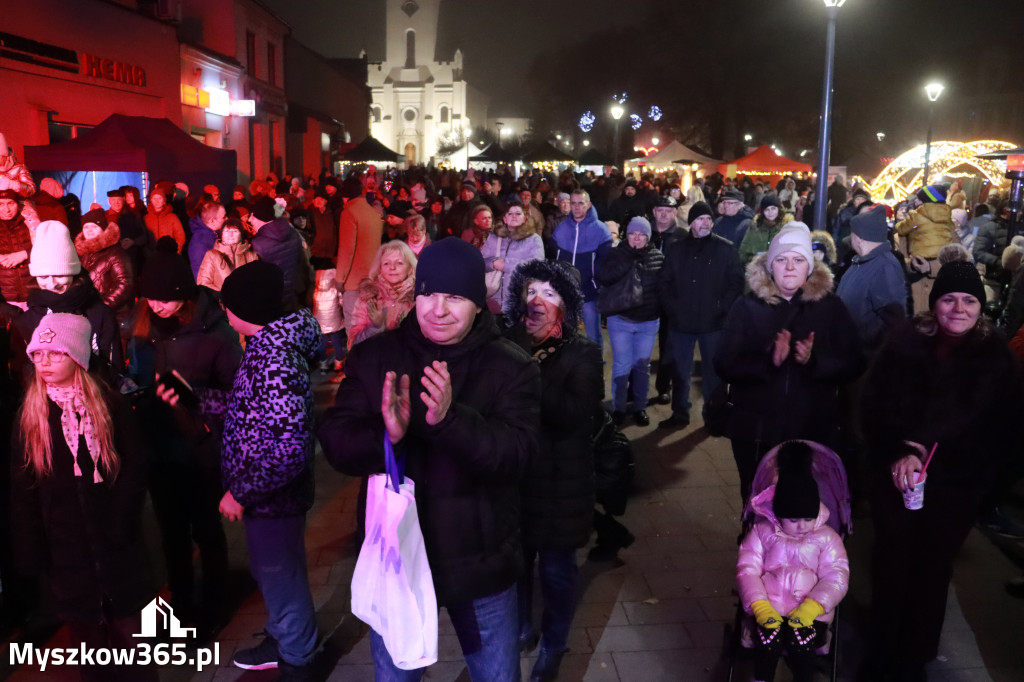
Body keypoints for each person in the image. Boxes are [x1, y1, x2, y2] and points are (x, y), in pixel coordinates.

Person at [318, 238, 541, 682]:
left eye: (455, 297)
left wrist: (451, 421)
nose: (437, 309)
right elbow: (337, 443)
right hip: (397, 558)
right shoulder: (375, 357)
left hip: (480, 559)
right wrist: (389, 436)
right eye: (428, 294)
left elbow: (518, 457)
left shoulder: (511, 366)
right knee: (397, 674)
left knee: (496, 675)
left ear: (479, 304)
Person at [858, 261, 1023, 680]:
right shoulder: (903, 343)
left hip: (955, 490)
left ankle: (915, 654)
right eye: (949, 299)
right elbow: (873, 404)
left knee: (932, 569)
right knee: (891, 562)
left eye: (969, 300)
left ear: (980, 308)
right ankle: (882, 648)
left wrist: (974, 482)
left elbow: (1006, 431)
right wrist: (898, 450)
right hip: (899, 481)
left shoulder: (995, 359)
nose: (958, 308)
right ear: (935, 304)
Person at [12, 313, 156, 682]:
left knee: (134, 641)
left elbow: (135, 463)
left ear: (76, 356)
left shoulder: (109, 406)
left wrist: (122, 520)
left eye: (53, 354)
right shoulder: (31, 416)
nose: (43, 363)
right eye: (37, 355)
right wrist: (34, 550)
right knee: (90, 648)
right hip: (66, 553)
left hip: (116, 545)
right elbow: (23, 487)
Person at [201, 261, 320, 679]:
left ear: (247, 311)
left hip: (274, 500)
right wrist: (199, 400)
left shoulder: (275, 360)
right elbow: (252, 410)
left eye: (228, 306)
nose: (224, 313)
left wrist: (241, 492)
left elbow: (289, 447)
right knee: (273, 573)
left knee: (281, 577)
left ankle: (298, 659)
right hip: (266, 499)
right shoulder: (264, 347)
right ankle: (284, 635)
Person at [503, 259, 603, 682]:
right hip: (519, 481)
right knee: (518, 565)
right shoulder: (510, 343)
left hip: (563, 482)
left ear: (567, 303)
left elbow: (577, 415)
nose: (538, 301)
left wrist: (530, 379)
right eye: (531, 292)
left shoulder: (582, 352)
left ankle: (553, 644)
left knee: (558, 572)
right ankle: (523, 626)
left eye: (550, 293)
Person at [130, 251, 241, 626]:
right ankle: (180, 596)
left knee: (205, 526)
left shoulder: (216, 334)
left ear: (186, 294)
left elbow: (241, 398)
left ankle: (215, 596)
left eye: (166, 297)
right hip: (158, 445)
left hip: (199, 448)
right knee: (170, 529)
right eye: (151, 297)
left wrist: (195, 400)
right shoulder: (143, 328)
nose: (158, 305)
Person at [715, 225, 862, 503]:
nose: (790, 267)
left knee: (805, 511)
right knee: (758, 504)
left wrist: (814, 361)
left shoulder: (830, 307)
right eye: (782, 260)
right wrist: (768, 362)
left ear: (810, 267)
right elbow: (724, 363)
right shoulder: (747, 306)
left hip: (812, 431)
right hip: (756, 432)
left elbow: (854, 362)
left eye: (798, 260)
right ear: (771, 266)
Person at [736, 441, 849, 682]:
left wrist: (813, 607)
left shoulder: (826, 538)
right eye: (794, 520)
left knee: (800, 639)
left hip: (811, 615)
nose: (802, 526)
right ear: (778, 513)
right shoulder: (761, 532)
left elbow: (836, 576)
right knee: (768, 637)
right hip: (768, 610)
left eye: (808, 518)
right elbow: (747, 571)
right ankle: (762, 678)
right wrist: (760, 606)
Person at [657, 202, 744, 429]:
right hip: (681, 323)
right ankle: (680, 414)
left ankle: (714, 416)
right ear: (691, 223)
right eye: (700, 219)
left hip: (713, 324)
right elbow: (664, 282)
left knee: (714, 374)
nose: (705, 223)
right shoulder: (676, 249)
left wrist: (722, 307)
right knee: (680, 372)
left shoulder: (725, 249)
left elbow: (736, 282)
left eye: (708, 219)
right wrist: (672, 308)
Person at [18, 220, 123, 375]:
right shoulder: (27, 320)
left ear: (74, 273)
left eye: (60, 275)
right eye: (43, 277)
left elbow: (115, 368)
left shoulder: (99, 313)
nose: (52, 284)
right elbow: (23, 374)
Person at [596, 217, 664, 426]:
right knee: (622, 365)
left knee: (642, 366)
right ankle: (619, 407)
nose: (637, 238)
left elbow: (664, 288)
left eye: (641, 234)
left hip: (647, 322)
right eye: (633, 234)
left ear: (648, 237)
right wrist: (628, 260)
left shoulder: (658, 258)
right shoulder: (617, 254)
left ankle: (640, 407)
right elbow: (604, 277)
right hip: (621, 319)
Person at [835, 204, 907, 355]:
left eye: (852, 233)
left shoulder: (886, 267)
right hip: (849, 353)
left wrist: (857, 337)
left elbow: (891, 319)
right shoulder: (861, 261)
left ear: (860, 238)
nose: (850, 237)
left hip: (864, 357)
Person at [553, 190, 613, 350]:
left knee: (593, 337)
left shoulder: (601, 230)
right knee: (565, 335)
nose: (577, 207)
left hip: (589, 293)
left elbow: (605, 264)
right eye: (573, 203)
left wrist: (596, 284)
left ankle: (596, 370)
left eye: (581, 203)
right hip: (565, 292)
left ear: (589, 204)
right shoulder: (561, 229)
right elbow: (554, 258)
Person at [896, 184, 958, 313]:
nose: (915, 202)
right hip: (936, 284)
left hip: (923, 279)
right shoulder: (947, 221)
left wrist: (928, 267)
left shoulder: (915, 217)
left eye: (918, 199)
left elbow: (901, 229)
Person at [347, 240, 417, 350]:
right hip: (374, 363)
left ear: (410, 268)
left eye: (399, 263)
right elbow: (353, 344)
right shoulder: (369, 297)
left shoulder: (419, 298)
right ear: (380, 268)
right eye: (386, 263)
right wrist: (375, 327)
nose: (392, 268)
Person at [482, 200, 545, 316]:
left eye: (518, 213)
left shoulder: (533, 239)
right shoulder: (494, 237)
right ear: (505, 219)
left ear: (525, 218)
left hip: (519, 302)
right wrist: (493, 263)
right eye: (510, 214)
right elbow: (481, 261)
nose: (514, 217)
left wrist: (506, 265)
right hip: (492, 301)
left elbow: (537, 266)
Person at [335, 176, 383, 326]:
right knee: (370, 325)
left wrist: (339, 279)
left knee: (354, 327)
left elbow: (346, 250)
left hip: (354, 281)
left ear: (345, 196)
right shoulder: (373, 213)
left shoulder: (349, 213)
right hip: (372, 278)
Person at [249, 196, 312, 310]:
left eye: (252, 216)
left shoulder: (258, 244)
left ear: (262, 218)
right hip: (294, 297)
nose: (249, 220)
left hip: (272, 300)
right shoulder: (292, 232)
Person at [73, 208, 134, 323]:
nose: (89, 230)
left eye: (94, 226)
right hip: (86, 314)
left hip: (113, 316)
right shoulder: (81, 253)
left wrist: (101, 306)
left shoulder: (115, 252)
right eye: (86, 227)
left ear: (103, 229)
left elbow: (124, 283)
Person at [196, 218, 259, 292]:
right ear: (221, 234)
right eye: (227, 231)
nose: (230, 235)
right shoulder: (212, 255)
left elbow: (257, 281)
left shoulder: (251, 256)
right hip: (221, 301)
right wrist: (224, 295)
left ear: (241, 234)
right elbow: (203, 282)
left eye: (235, 231)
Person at [0, 188, 34, 306]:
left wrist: (25, 254)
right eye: (1, 204)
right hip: (4, 299)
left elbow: (49, 250)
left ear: (17, 204)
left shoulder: (30, 224)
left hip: (33, 295)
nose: (6, 209)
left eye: (10, 203)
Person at [739, 195, 789, 267]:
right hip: (757, 271)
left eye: (773, 208)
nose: (770, 212)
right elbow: (743, 253)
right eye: (767, 209)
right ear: (763, 211)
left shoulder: (785, 229)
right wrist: (755, 259)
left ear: (779, 209)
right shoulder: (754, 228)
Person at [188, 200, 227, 279]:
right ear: (212, 221)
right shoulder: (199, 244)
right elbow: (200, 275)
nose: (227, 218)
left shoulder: (215, 233)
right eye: (224, 217)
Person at [144, 183, 186, 253]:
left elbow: (180, 237)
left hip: (169, 255)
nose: (157, 201)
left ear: (164, 201)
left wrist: (175, 252)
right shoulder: (146, 218)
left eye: (159, 198)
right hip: (152, 257)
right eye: (154, 198)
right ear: (151, 200)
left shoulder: (172, 217)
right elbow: (144, 239)